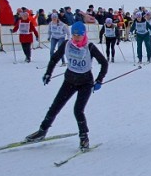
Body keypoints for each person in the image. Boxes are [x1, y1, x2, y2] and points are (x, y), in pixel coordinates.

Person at [25, 22, 108, 150]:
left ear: (84, 34)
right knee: (55, 106)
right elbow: (54, 58)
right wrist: (48, 73)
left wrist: (99, 80)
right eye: (74, 35)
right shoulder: (67, 45)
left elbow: (104, 63)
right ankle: (42, 131)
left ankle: (84, 137)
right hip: (69, 80)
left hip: (85, 83)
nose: (76, 38)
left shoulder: (89, 47)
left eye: (79, 35)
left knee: (78, 110)